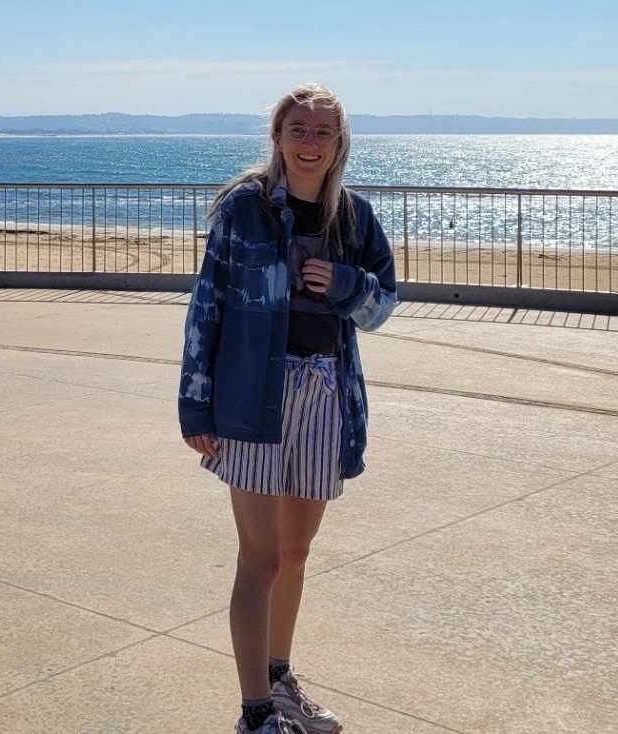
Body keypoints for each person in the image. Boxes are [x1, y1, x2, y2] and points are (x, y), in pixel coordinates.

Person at [178, 83, 399, 734]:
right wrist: (196, 408)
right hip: (251, 401)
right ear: (277, 137)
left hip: (324, 396)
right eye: (298, 130)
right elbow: (205, 308)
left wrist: (350, 286)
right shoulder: (242, 210)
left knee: (296, 553)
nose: (310, 142)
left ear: (339, 146)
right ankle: (255, 715)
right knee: (262, 558)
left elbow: (383, 305)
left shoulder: (353, 219)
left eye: (322, 132)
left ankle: (279, 683)